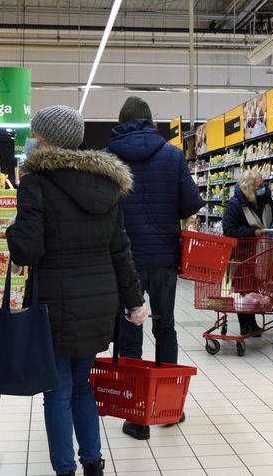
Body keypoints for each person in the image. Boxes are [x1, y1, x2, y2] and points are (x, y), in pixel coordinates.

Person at [7, 106, 149, 476]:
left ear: (47, 139)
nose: (32, 140)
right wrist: (135, 300)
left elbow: (27, 250)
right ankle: (93, 464)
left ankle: (65, 469)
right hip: (100, 302)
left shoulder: (36, 183)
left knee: (58, 390)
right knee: (83, 385)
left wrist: (12, 227)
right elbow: (120, 249)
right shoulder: (107, 185)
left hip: (54, 304)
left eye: (36, 134)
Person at [106, 96, 203, 440]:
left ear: (120, 120)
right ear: (151, 122)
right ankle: (168, 408)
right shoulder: (173, 155)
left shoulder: (108, 159)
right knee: (166, 328)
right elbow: (191, 203)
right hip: (163, 255)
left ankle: (136, 416)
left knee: (129, 332)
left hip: (124, 259)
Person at [221, 170, 273, 338]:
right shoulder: (236, 204)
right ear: (249, 187)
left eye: (263, 184)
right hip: (244, 253)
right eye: (259, 186)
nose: (263, 188)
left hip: (261, 253)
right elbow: (229, 230)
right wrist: (253, 232)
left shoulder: (265, 199)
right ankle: (246, 324)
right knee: (244, 290)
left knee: (254, 288)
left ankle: (252, 323)